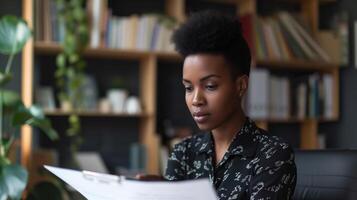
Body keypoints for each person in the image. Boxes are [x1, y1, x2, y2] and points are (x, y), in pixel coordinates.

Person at [140, 10, 297, 200]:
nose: (196, 99)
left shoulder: (273, 155)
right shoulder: (184, 152)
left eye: (210, 86)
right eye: (188, 88)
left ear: (240, 86)